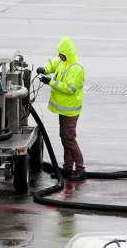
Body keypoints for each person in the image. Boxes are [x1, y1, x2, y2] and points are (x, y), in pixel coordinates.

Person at [37, 36, 86, 180]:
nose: (58, 56)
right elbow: (53, 63)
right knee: (65, 139)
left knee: (69, 139)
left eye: (61, 53)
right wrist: (44, 69)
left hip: (70, 111)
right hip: (64, 110)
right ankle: (67, 169)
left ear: (67, 53)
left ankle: (81, 169)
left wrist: (50, 82)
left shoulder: (75, 69)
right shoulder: (63, 62)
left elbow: (69, 89)